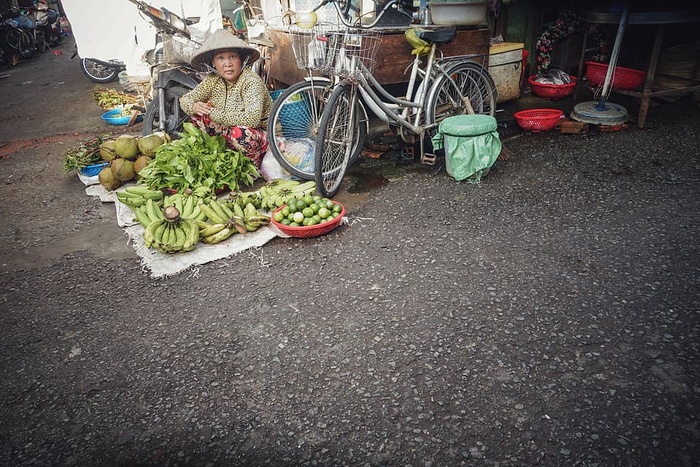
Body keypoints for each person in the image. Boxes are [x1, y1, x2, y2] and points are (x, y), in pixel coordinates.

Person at [179, 29, 272, 168]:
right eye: (220, 58)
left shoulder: (250, 81)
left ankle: (251, 168)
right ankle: (213, 159)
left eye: (233, 57)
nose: (227, 63)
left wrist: (214, 114)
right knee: (197, 118)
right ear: (213, 63)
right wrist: (194, 107)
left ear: (241, 60)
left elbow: (252, 119)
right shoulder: (213, 80)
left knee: (240, 133)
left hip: (262, 136)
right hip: (229, 130)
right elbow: (185, 99)